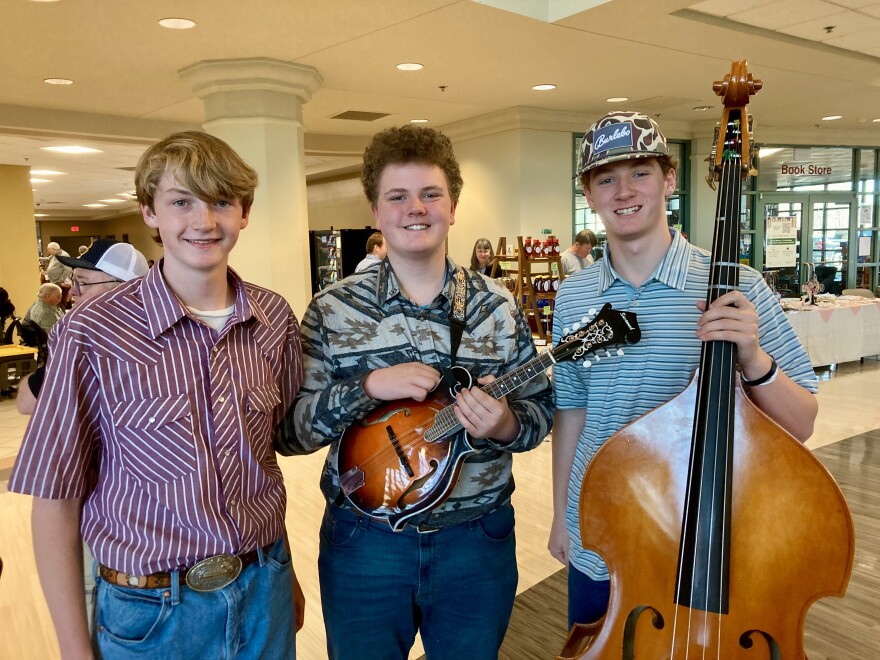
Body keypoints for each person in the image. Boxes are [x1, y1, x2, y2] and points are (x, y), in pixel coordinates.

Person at [10, 130, 305, 659]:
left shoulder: (273, 319)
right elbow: (56, 498)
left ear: (245, 212)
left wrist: (288, 578)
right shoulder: (92, 329)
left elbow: (262, 461)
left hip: (265, 589)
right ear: (150, 213)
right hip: (150, 611)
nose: (204, 221)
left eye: (221, 201)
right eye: (180, 201)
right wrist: (75, 650)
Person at [275, 125, 553, 659]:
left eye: (430, 194)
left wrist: (505, 424)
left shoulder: (497, 305)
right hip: (365, 543)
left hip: (478, 540)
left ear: (453, 207)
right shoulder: (332, 311)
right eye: (397, 197)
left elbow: (539, 411)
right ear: (376, 212)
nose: (415, 209)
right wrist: (367, 387)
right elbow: (290, 433)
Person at [548, 111, 819, 629]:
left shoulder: (737, 287)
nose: (624, 191)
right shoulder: (574, 294)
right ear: (590, 194)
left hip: (705, 534)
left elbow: (802, 423)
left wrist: (754, 358)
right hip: (601, 530)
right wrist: (562, 512)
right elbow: (572, 412)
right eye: (606, 179)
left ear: (669, 180)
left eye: (641, 173)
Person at [16, 239, 149, 415]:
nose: (72, 291)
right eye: (74, 281)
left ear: (120, 289)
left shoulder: (87, 339)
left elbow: (26, 403)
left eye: (83, 282)